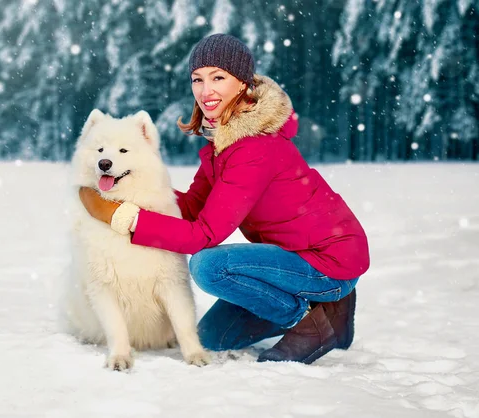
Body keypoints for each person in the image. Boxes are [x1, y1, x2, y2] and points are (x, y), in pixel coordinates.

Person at [78, 33, 370, 364]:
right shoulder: (224, 145)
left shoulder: (254, 149)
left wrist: (123, 216)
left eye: (218, 77)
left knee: (208, 265)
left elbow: (203, 235)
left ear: (243, 83)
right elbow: (188, 208)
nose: (206, 91)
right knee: (210, 339)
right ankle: (312, 302)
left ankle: (317, 313)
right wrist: (129, 188)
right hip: (287, 256)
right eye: (197, 79)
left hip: (329, 259)